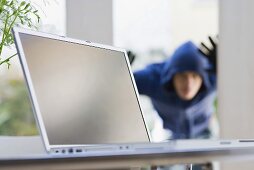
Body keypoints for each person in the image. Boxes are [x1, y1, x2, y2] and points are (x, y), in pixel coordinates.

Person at [133, 37, 217, 139]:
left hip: (206, 133)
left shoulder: (214, 76)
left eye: (194, 76)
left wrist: (228, 65)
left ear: (203, 78)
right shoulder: (152, 80)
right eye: (182, 75)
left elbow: (239, 81)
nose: (188, 84)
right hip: (168, 134)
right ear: (172, 76)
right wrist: (121, 72)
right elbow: (122, 83)